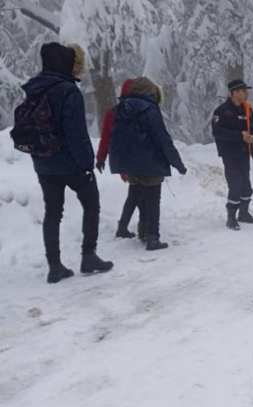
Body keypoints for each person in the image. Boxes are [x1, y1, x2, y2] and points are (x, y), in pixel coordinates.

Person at [20, 42, 113, 283]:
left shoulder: (35, 88)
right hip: (70, 164)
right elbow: (76, 134)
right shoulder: (68, 91)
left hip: (43, 162)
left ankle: (54, 266)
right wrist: (87, 164)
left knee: (53, 213)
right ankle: (88, 255)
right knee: (91, 204)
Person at [109, 77, 187, 251]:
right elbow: (162, 138)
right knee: (152, 200)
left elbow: (115, 137)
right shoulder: (150, 109)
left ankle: (143, 232)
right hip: (150, 162)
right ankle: (152, 237)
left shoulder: (121, 108)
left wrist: (119, 163)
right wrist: (177, 163)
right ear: (150, 92)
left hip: (130, 163)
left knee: (138, 195)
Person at [211, 79, 253, 230]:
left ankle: (244, 213)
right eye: (243, 91)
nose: (246, 93)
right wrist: (239, 135)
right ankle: (231, 218)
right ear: (234, 93)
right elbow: (217, 132)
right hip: (230, 154)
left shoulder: (247, 109)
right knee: (235, 185)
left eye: (246, 91)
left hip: (244, 153)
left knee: (246, 185)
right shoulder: (221, 111)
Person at [96, 79, 143, 240]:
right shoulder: (140, 111)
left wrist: (101, 158)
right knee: (140, 192)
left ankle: (124, 226)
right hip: (138, 159)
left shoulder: (112, 113)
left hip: (122, 160)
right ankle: (138, 228)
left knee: (135, 192)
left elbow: (105, 138)